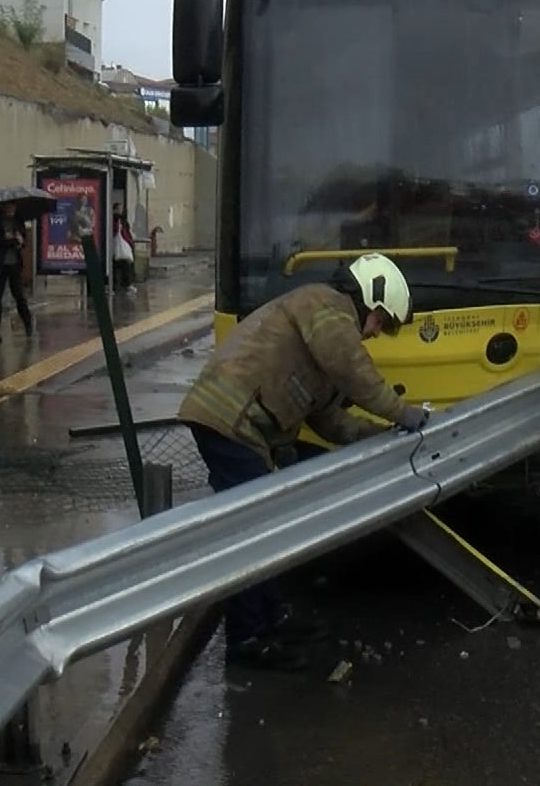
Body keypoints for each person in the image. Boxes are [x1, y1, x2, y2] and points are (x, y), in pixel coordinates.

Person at [176, 252, 431, 672]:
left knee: (269, 525)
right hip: (228, 420)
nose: (374, 333)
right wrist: (400, 412)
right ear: (370, 296)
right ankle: (247, 640)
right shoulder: (327, 307)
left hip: (241, 427)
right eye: (380, 321)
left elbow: (331, 421)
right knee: (252, 532)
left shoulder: (323, 334)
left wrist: (381, 435)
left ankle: (271, 618)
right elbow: (352, 367)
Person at [0, 202, 34, 339]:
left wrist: (18, 241)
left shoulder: (18, 220)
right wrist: (9, 240)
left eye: (13, 207)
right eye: (9, 207)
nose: (11, 210)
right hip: (0, 263)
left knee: (19, 295)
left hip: (14, 262)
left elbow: (23, 240)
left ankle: (28, 324)